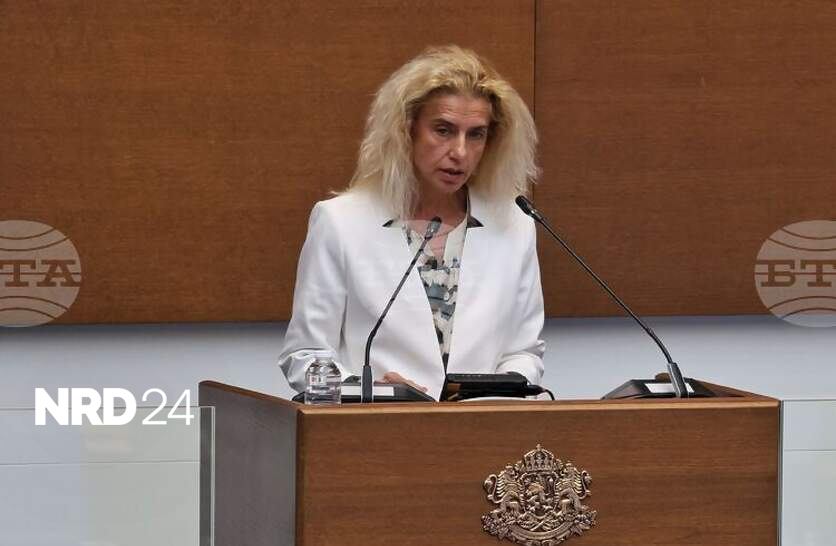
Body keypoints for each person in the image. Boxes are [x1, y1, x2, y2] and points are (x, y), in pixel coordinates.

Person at [279, 45, 545, 399]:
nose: (460, 152)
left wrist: (492, 397)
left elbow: (523, 353)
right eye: (443, 130)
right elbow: (305, 356)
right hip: (379, 425)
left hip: (483, 427)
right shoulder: (341, 223)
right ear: (407, 129)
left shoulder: (514, 224)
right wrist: (371, 393)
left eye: (476, 134)